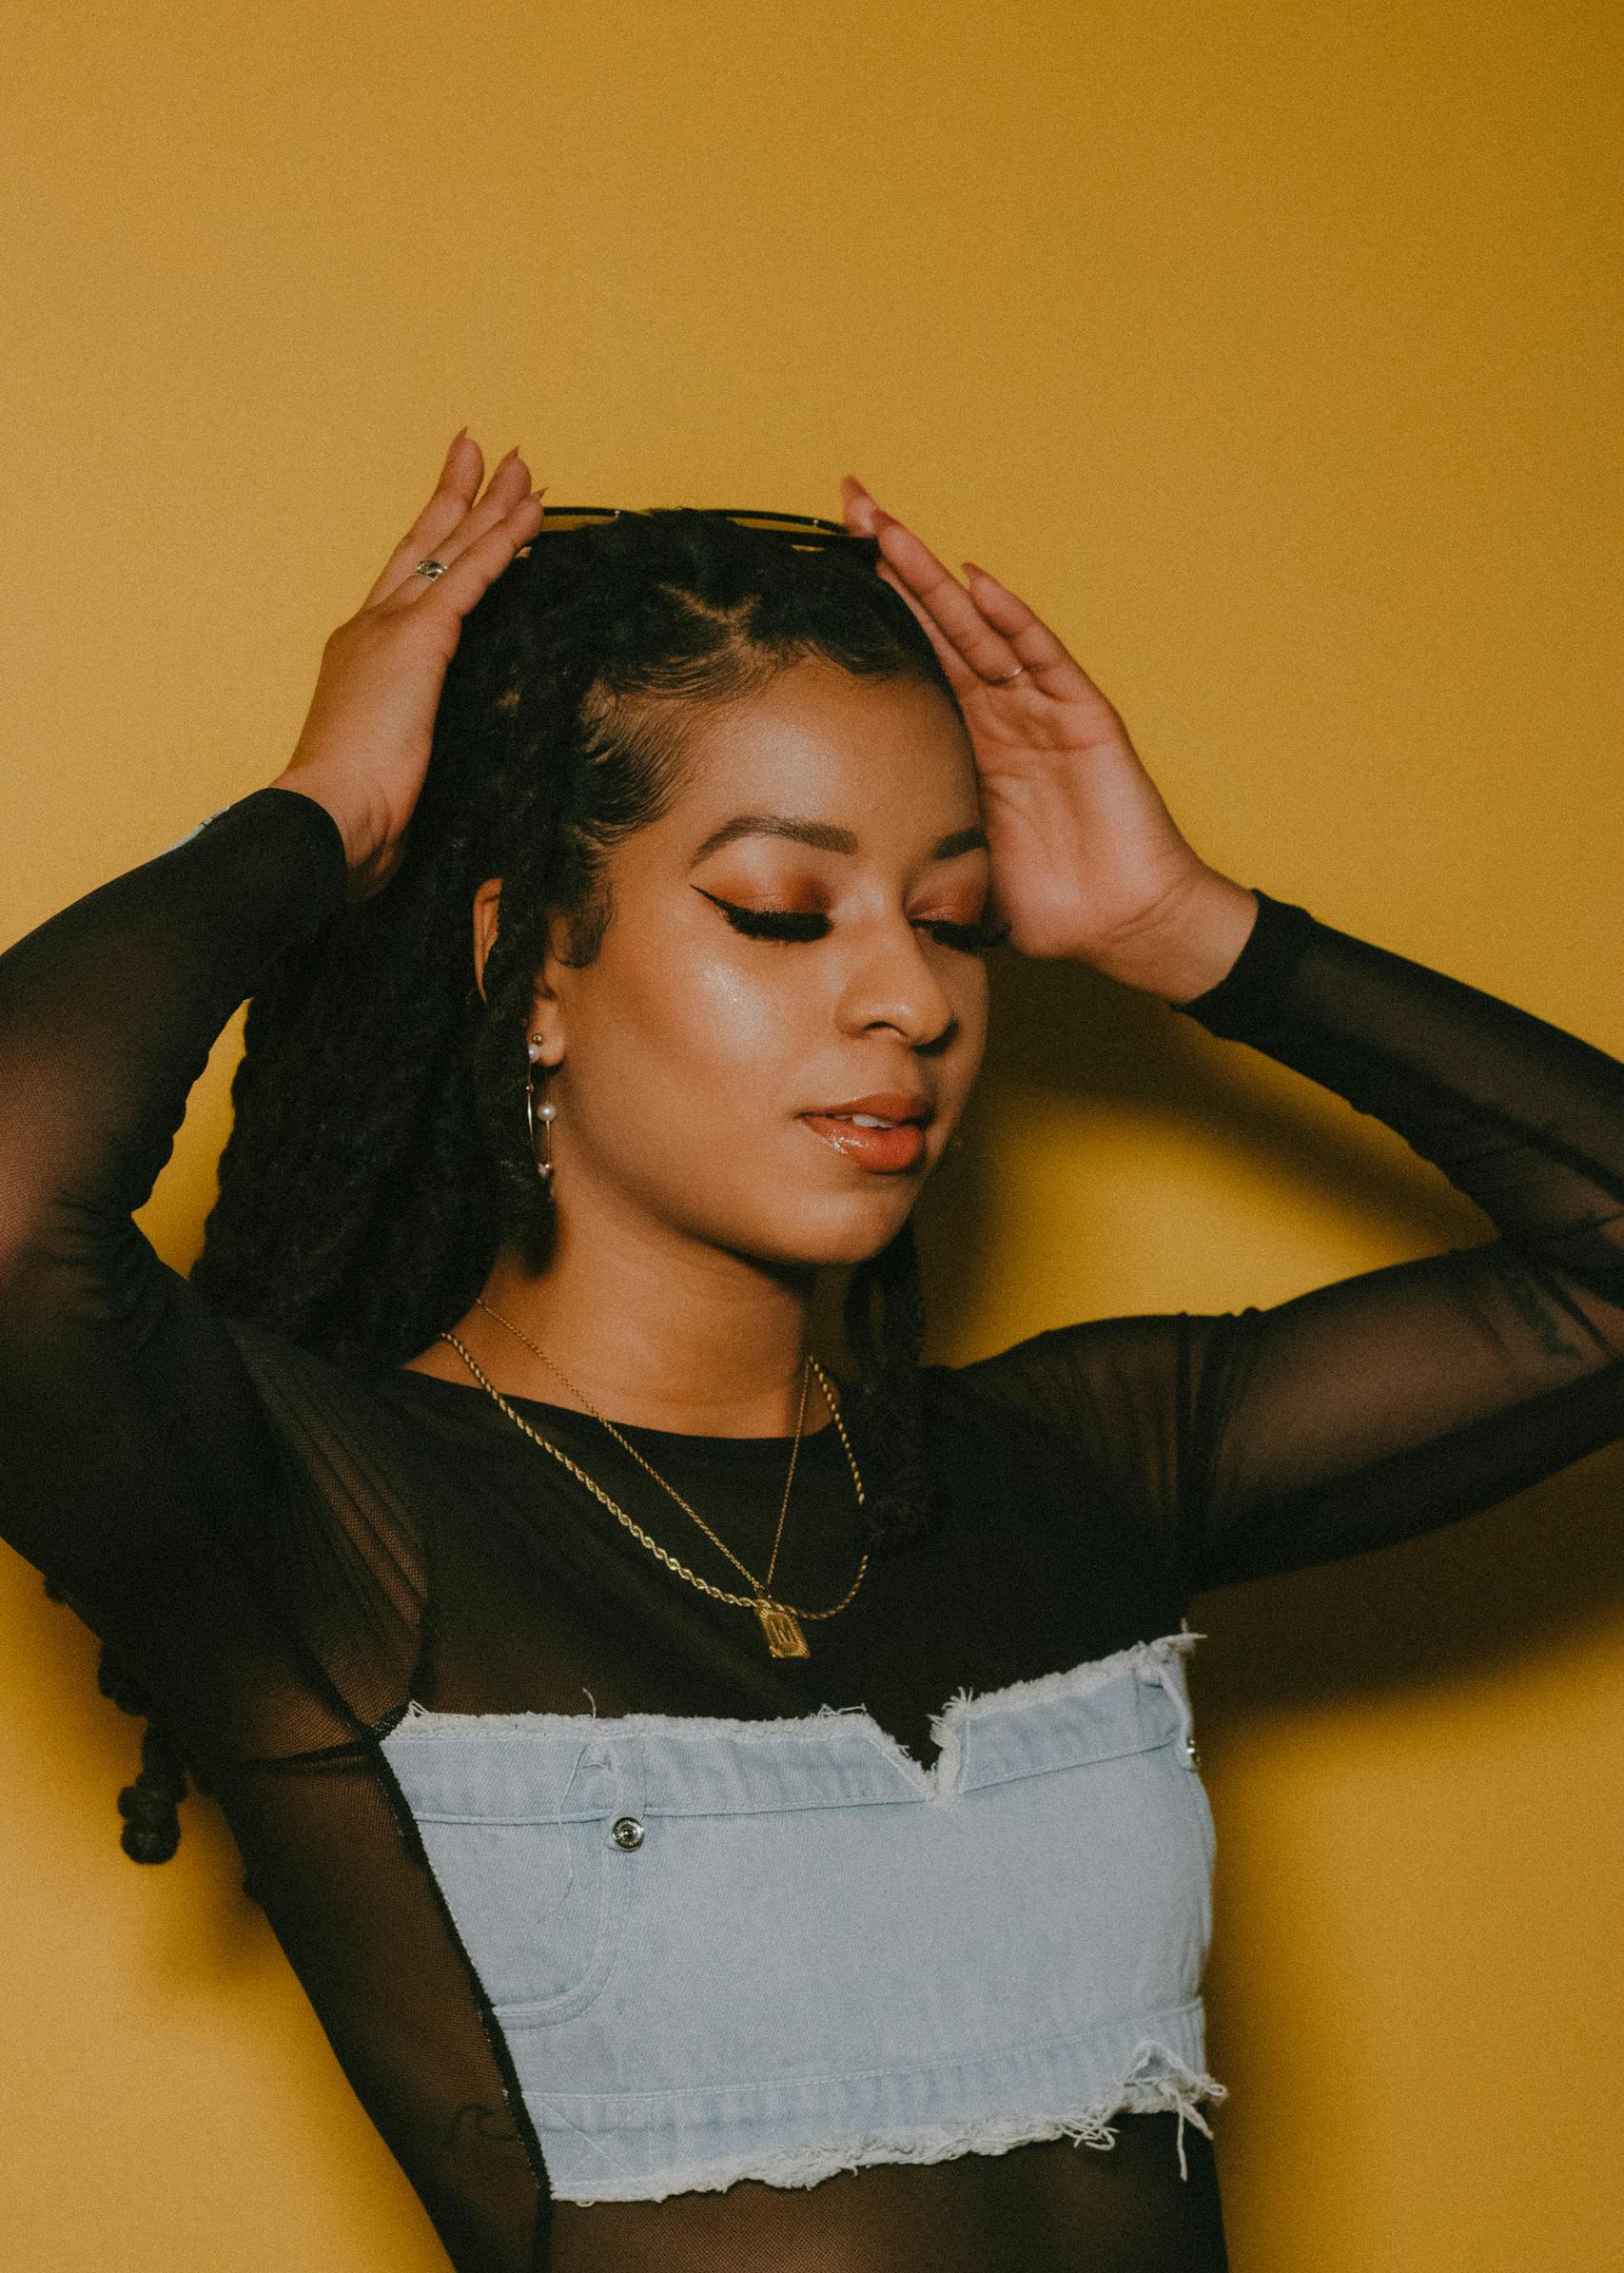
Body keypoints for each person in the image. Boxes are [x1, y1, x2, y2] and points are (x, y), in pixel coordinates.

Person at [1, 431, 1620, 2273]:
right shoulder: (341, 1528)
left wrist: (1186, 931)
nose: (911, 998)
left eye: (953, 919)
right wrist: (327, 815)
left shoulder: (1079, 1463)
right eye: (781, 910)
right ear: (532, 968)